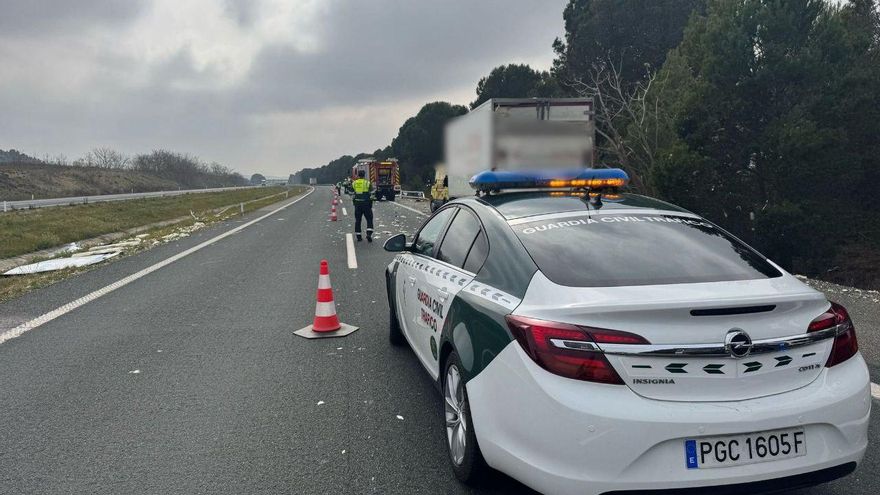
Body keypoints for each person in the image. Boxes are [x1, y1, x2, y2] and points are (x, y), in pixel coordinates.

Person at [351, 170, 375, 242]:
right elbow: (372, 192)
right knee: (369, 219)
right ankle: (369, 234)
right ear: (364, 175)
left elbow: (351, 192)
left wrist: (355, 198)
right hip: (366, 204)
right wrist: (371, 199)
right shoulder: (367, 183)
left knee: (358, 220)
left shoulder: (354, 183)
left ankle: (358, 236)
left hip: (357, 205)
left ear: (358, 175)